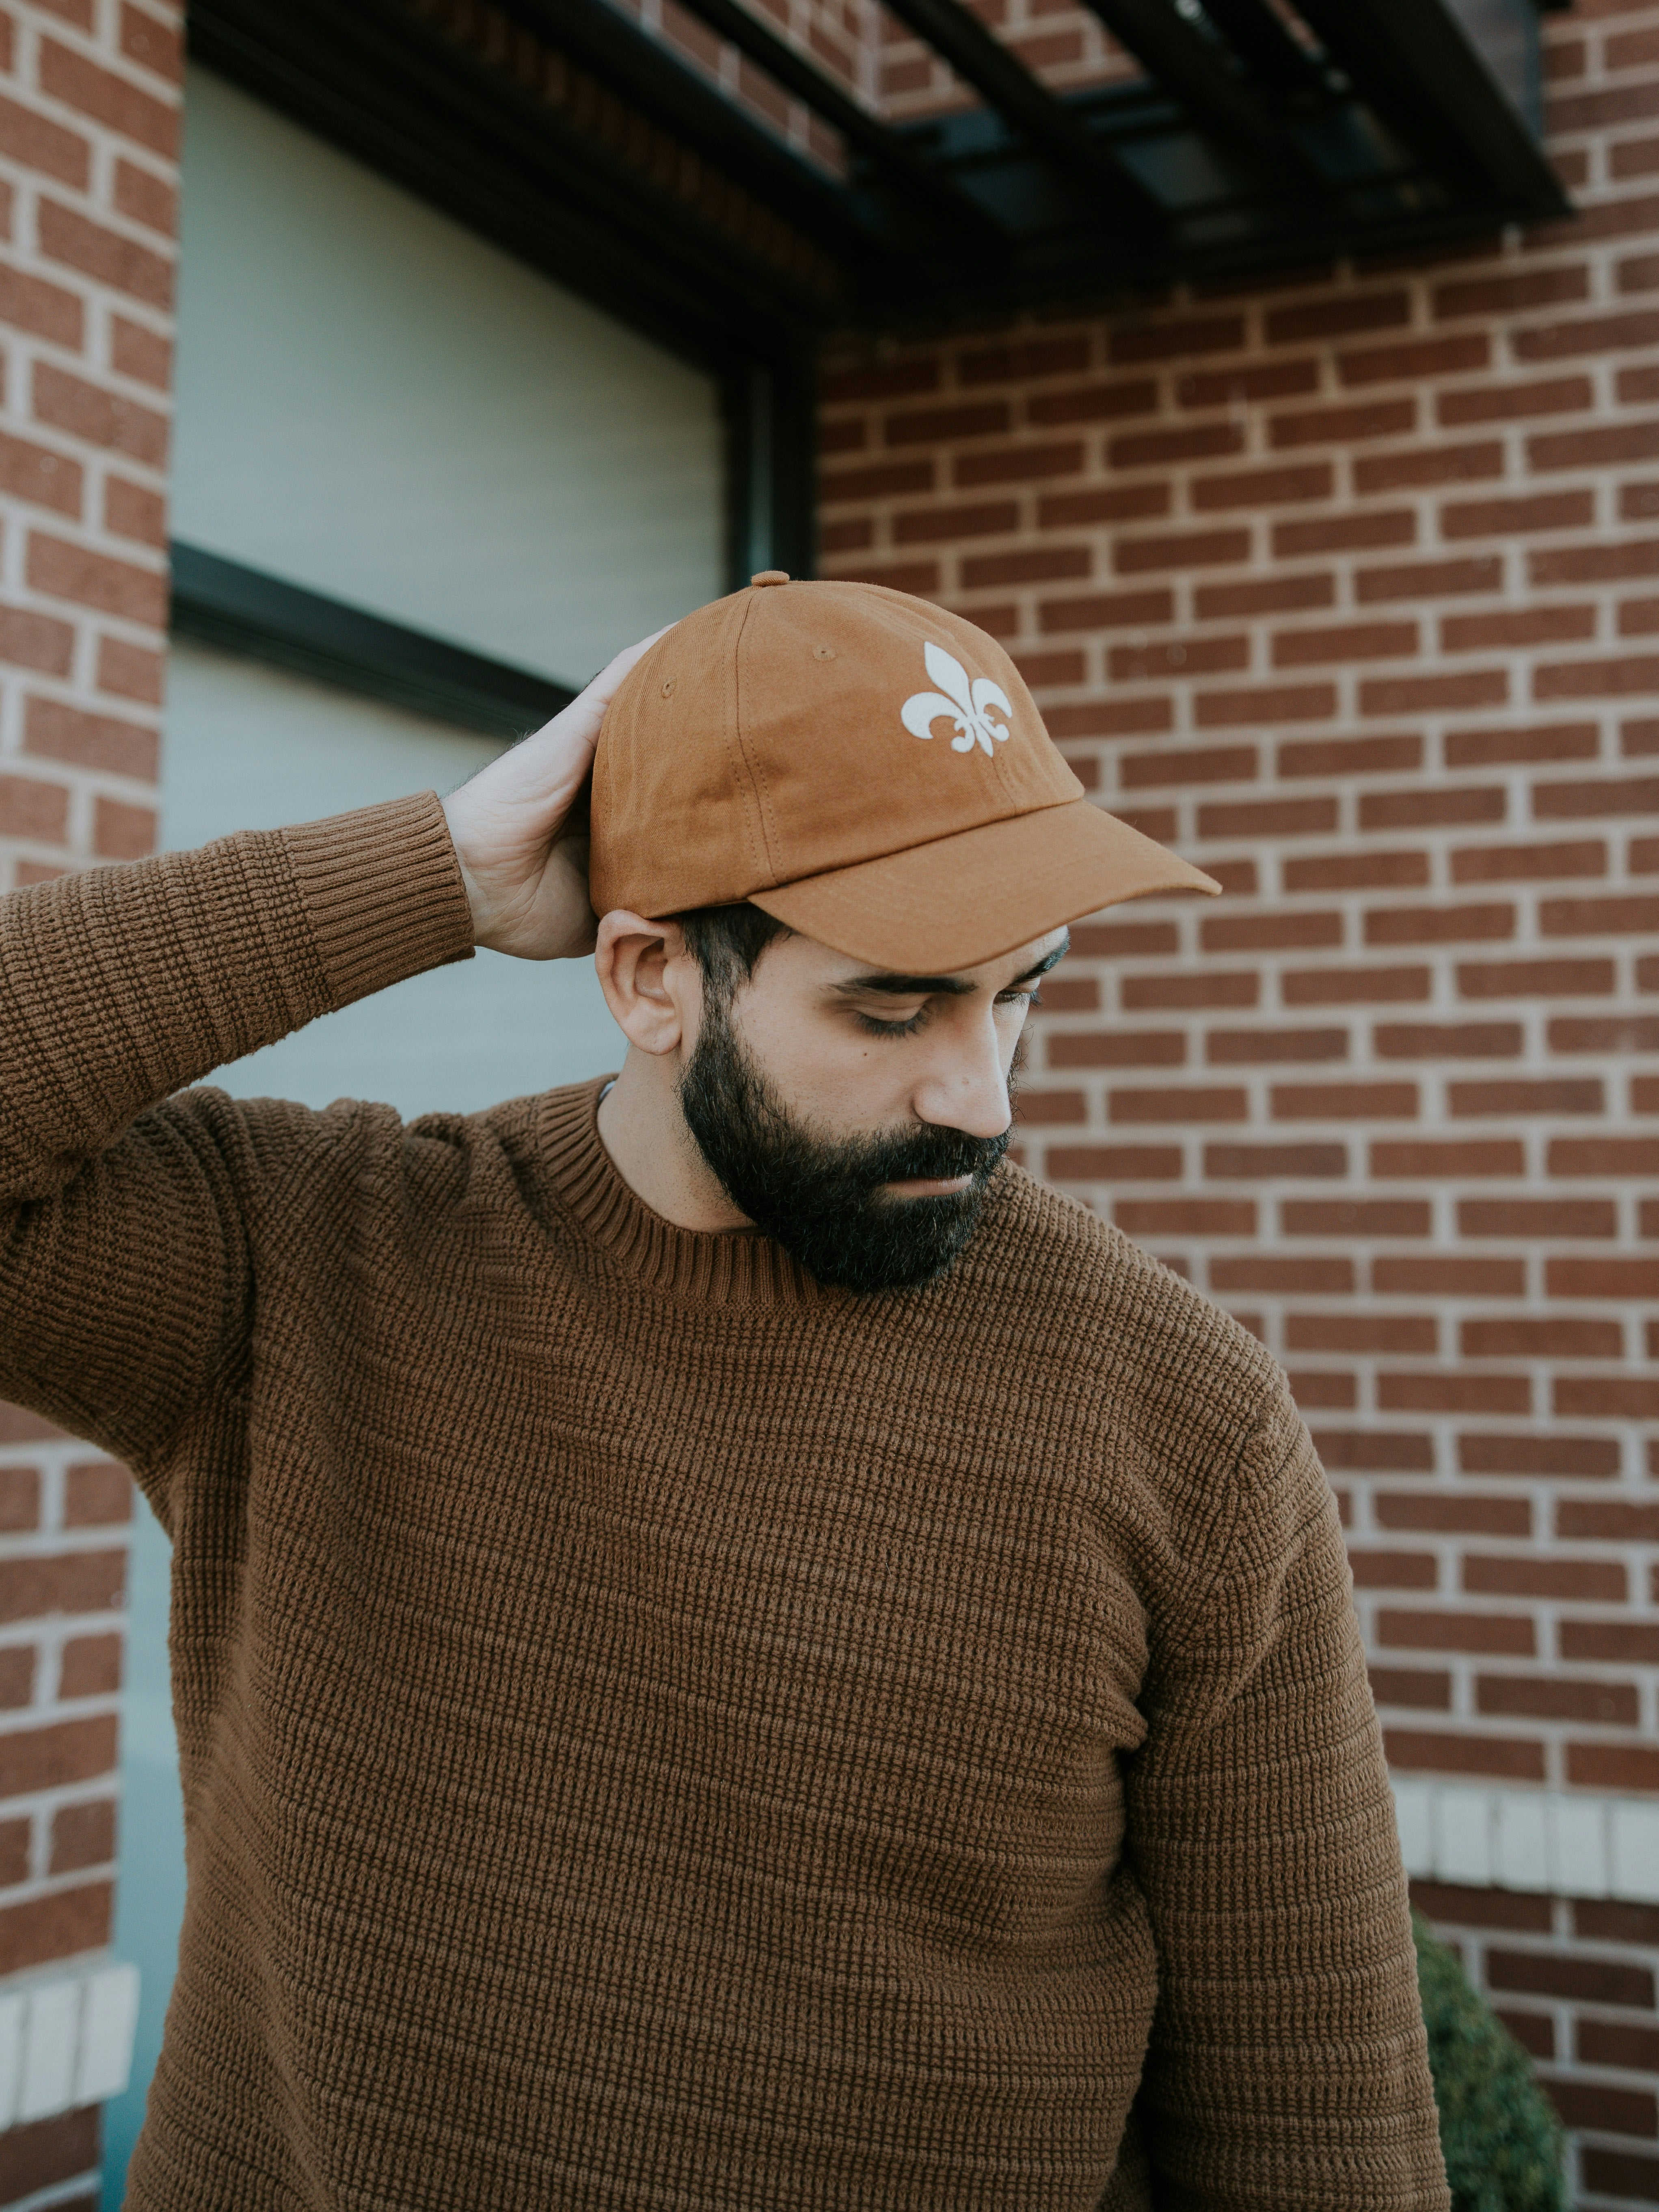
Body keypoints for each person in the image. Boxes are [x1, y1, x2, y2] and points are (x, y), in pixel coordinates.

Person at [0, 573, 1449, 2210]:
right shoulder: (301, 1268)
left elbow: (1319, 2121)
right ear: (648, 979)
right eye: (890, 1004)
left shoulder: (1181, 1414)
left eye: (1019, 991)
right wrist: (435, 874)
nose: (978, 1094)